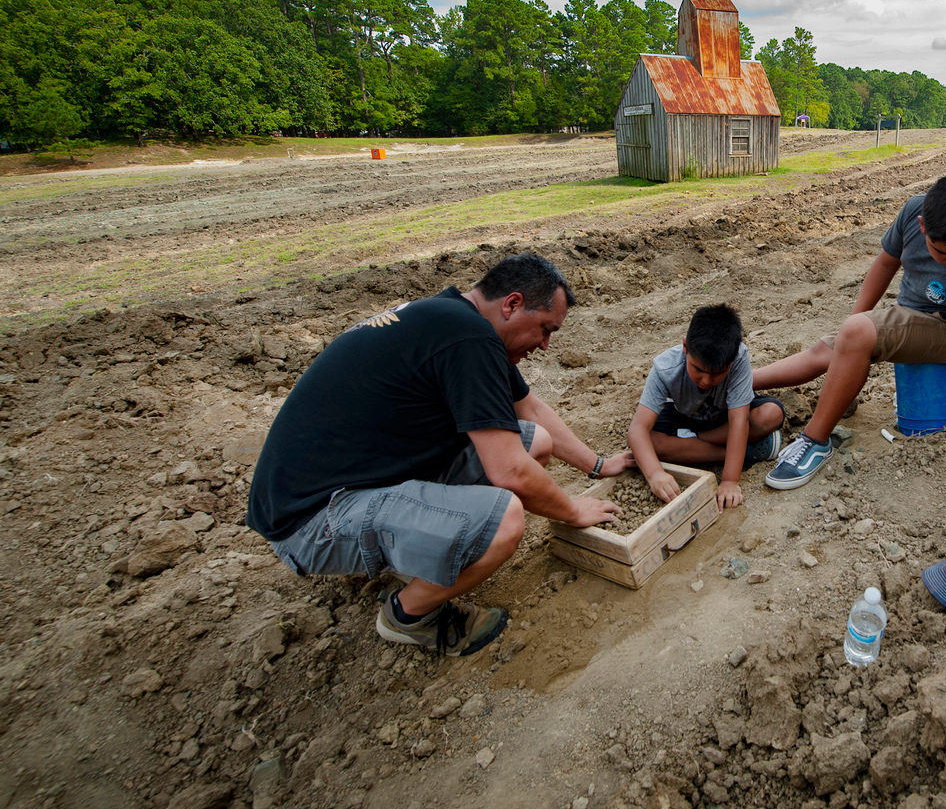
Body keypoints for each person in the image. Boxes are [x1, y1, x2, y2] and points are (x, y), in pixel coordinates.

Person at [246, 254, 631, 657]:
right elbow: (511, 474)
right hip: (310, 521)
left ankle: (416, 548)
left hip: (348, 480)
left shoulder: (455, 319)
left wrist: (598, 465)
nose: (545, 345)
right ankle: (408, 615)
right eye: (545, 329)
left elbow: (530, 410)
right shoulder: (469, 338)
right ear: (512, 304)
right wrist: (572, 510)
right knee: (504, 519)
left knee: (533, 441)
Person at [753, 173, 946, 490]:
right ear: (923, 225)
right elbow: (886, 263)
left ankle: (815, 442)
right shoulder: (913, 213)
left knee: (856, 333)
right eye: (941, 253)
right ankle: (742, 381)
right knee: (825, 350)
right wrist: (853, 328)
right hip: (912, 314)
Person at [627, 304, 786, 511]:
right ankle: (745, 453)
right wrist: (655, 473)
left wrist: (729, 481)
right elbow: (638, 429)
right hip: (685, 417)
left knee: (771, 414)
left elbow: (739, 420)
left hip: (723, 420)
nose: (706, 380)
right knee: (649, 443)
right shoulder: (665, 368)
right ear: (685, 347)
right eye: (698, 369)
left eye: (718, 373)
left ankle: (695, 445)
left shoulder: (738, 358)